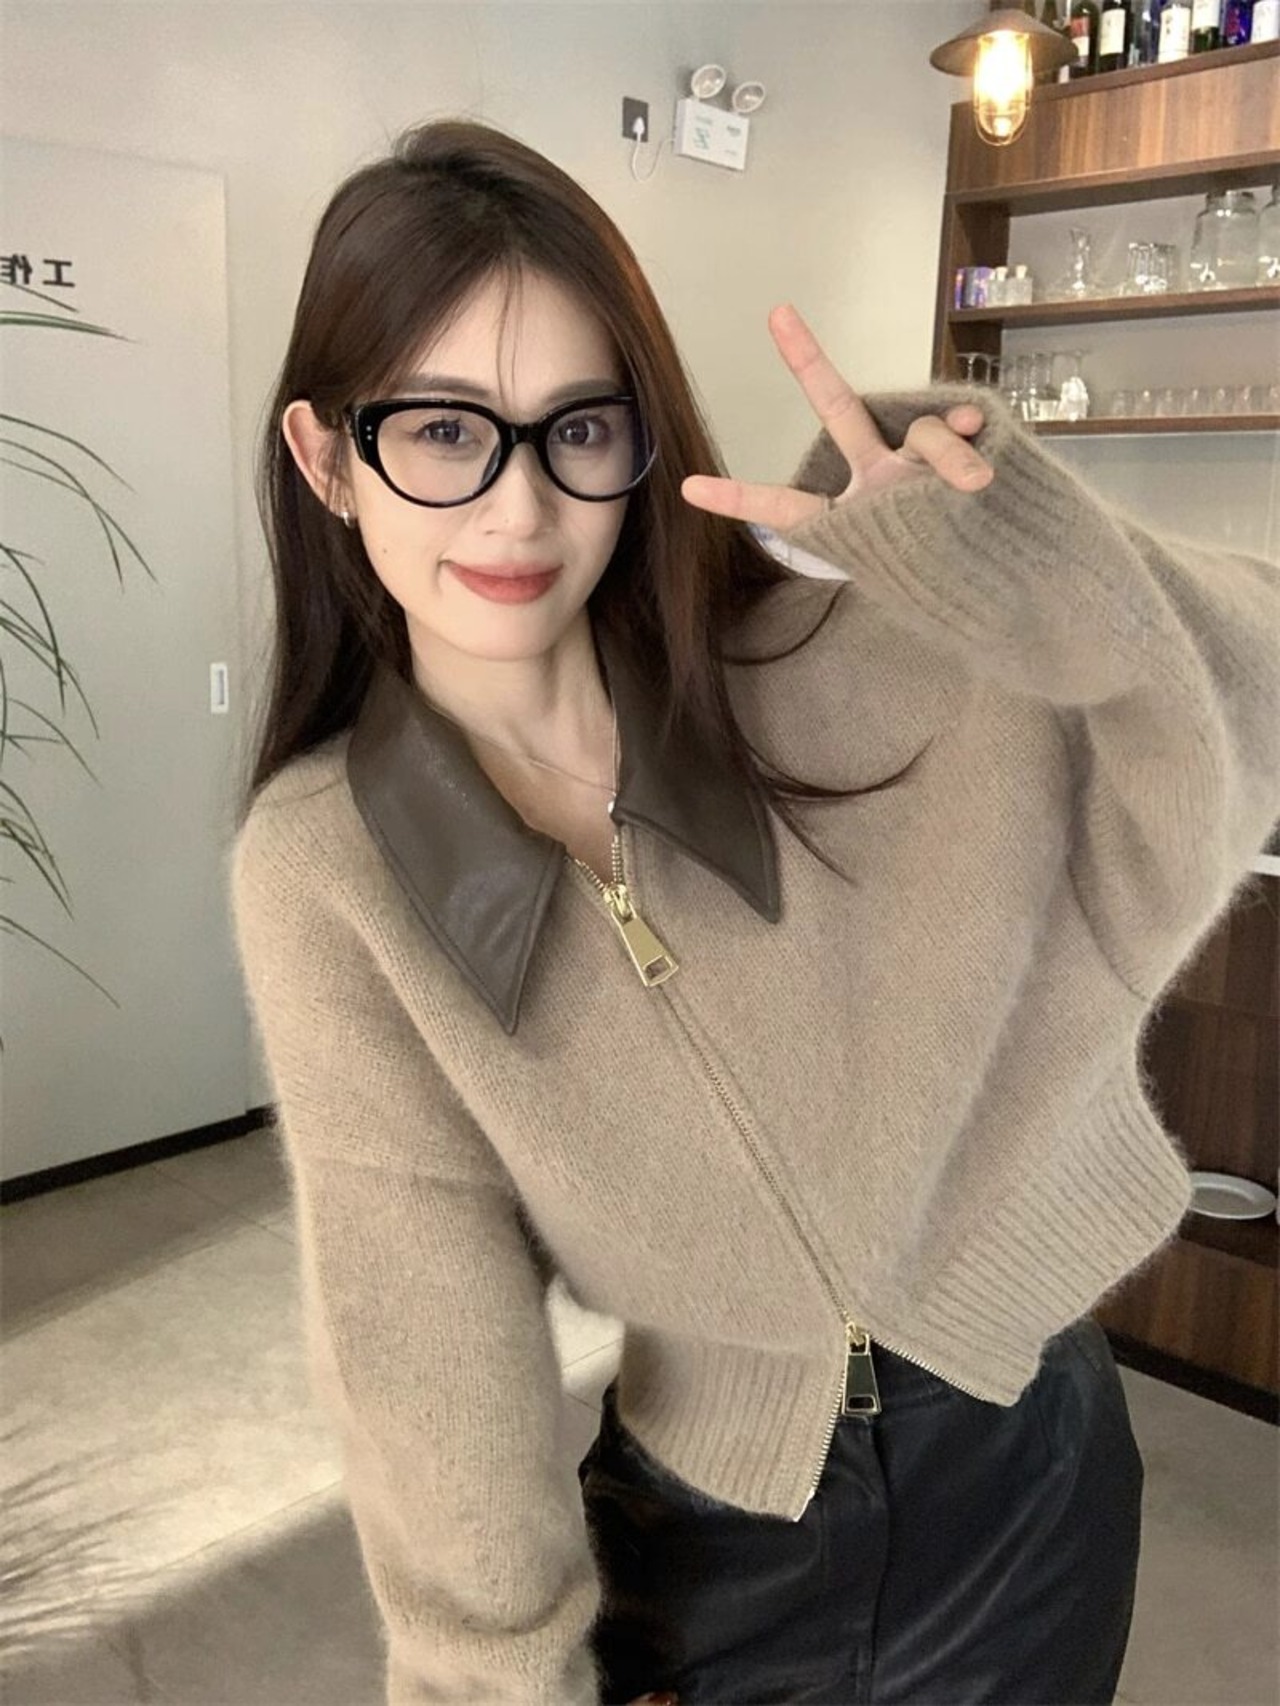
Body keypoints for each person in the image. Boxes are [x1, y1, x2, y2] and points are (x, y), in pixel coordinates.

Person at [230, 118, 1279, 1706]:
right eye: (443, 431)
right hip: (719, 1557)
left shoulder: (827, 657)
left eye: (579, 427)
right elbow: (427, 1355)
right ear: (324, 457)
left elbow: (1235, 711)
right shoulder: (330, 867)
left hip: (1035, 1476)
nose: (519, 510)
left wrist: (1022, 566)